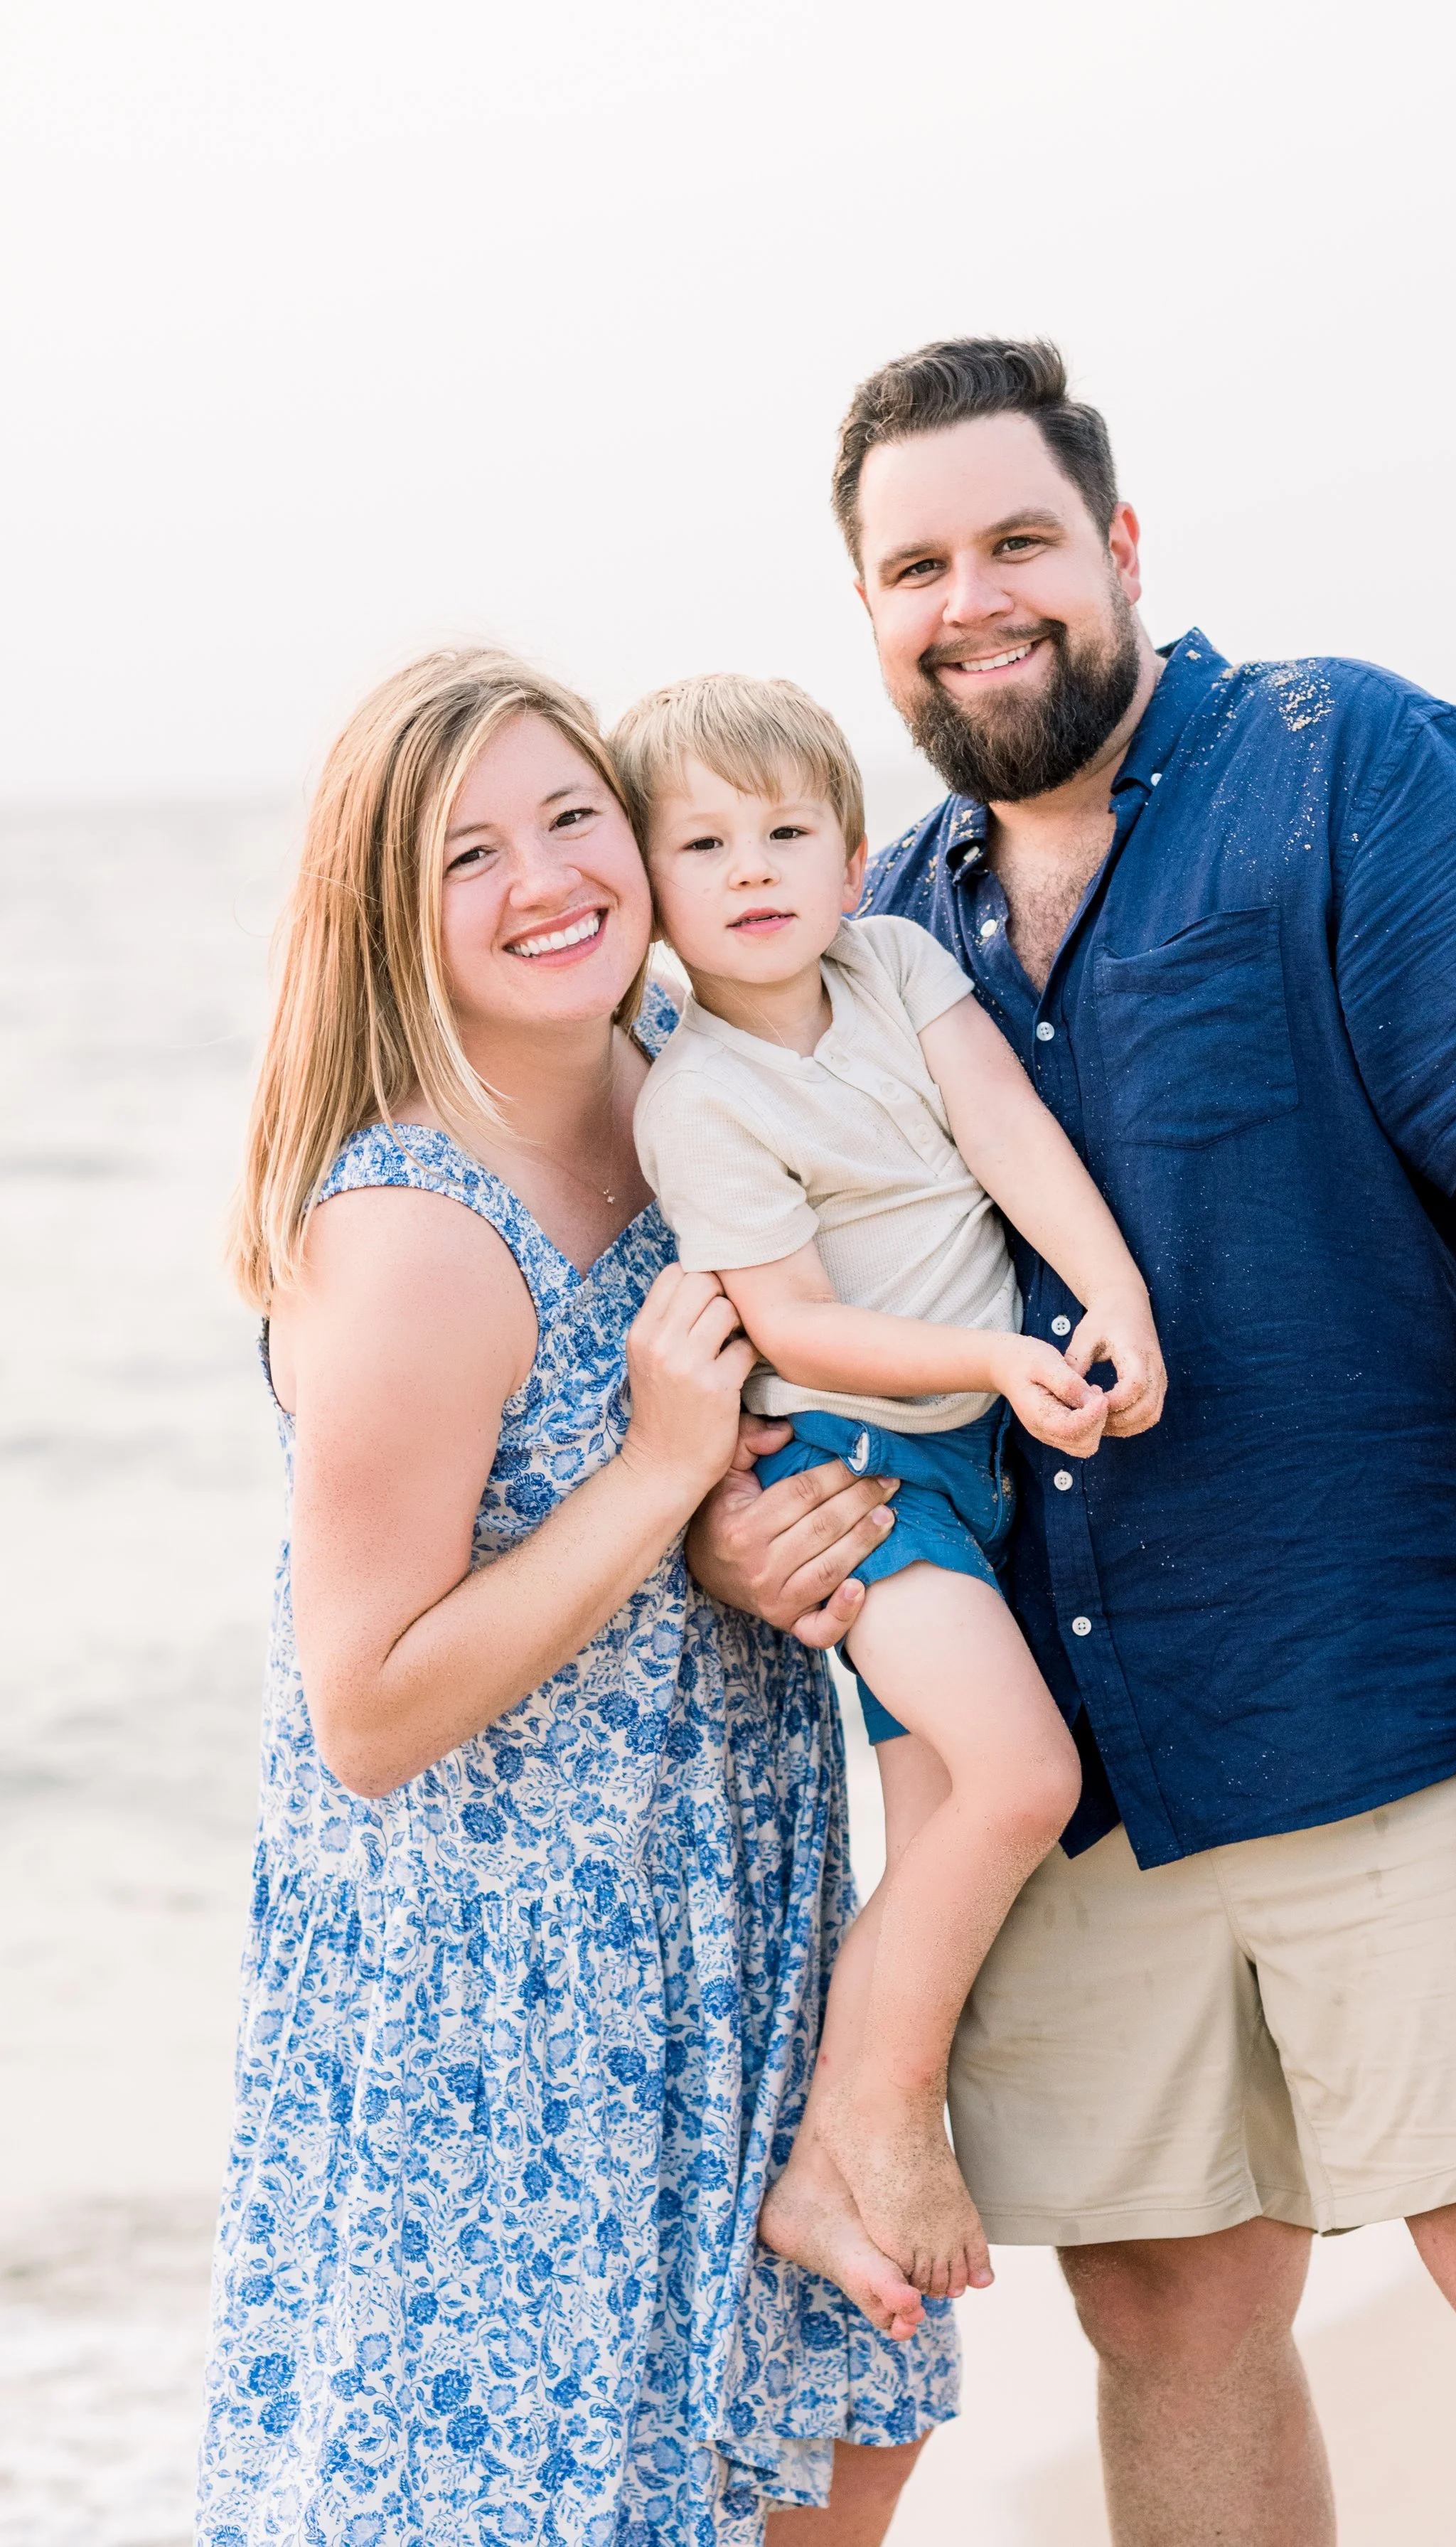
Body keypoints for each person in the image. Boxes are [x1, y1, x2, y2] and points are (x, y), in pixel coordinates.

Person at [690, 340, 1456, 2545]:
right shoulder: (876, 921)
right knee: (1170, 2317)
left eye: (1013, 540)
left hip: (1414, 1699)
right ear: (870, 615)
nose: (969, 596)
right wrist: (739, 1524)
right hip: (1090, 1768)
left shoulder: (1350, 763)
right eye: (913, 567)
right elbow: (759, 1299)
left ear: (1114, 544)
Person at [198, 649, 956, 2547]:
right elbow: (365, 1708)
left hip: (734, 1909)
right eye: (469, 852)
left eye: (570, 815)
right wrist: (652, 1476)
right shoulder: (416, 1237)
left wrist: (754, 1527)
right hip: (513, 1999)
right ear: (389, 911)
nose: (545, 877)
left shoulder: (705, 1080)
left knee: (813, 2459)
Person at [614, 672, 1165, 2311]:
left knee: (934, 1833)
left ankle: (809, 2177)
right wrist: (995, 1364)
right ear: (648, 893)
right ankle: (881, 2109)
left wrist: (1108, 1295)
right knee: (1018, 1779)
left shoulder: (902, 963)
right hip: (854, 1464)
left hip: (969, 1458)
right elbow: (789, 1323)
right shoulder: (694, 1095)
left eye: (787, 829)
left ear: (853, 857)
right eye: (702, 843)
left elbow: (1006, 1135)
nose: (753, 866)